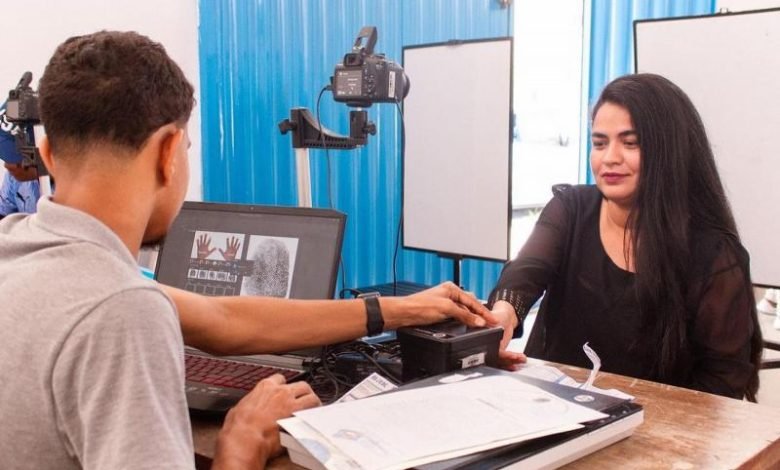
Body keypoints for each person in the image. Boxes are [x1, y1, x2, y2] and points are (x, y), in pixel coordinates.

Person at [0, 31, 516, 470]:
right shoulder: (121, 310)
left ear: (47, 155)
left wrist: (398, 309)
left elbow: (222, 319)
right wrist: (240, 446)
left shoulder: (22, 249)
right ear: (168, 152)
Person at [487, 73, 762, 401]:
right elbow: (526, 272)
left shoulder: (714, 255)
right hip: (552, 409)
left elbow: (723, 383)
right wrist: (504, 313)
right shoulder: (571, 208)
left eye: (630, 143)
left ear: (669, 150)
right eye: (599, 143)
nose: (609, 158)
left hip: (657, 425)